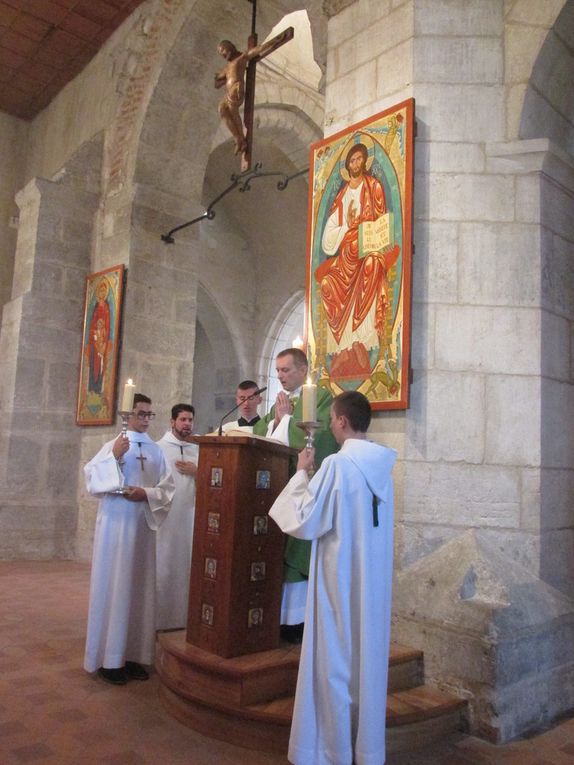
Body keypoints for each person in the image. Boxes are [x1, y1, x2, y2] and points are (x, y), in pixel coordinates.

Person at [269, 391, 397, 765]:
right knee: (364, 663)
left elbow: (306, 520)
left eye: (332, 421)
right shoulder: (382, 469)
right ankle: (365, 749)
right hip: (370, 583)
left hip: (338, 581)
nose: (330, 427)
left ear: (341, 421)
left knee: (335, 662)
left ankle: (333, 750)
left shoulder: (338, 466)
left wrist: (301, 472)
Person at [83, 393, 175, 685]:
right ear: (129, 414)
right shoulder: (115, 444)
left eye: (150, 414)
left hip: (142, 526)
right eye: (140, 414)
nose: (146, 419)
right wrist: (114, 457)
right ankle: (109, 661)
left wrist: (145, 494)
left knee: (139, 589)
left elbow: (167, 488)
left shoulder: (157, 451)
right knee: (115, 587)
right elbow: (91, 478)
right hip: (116, 524)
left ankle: (134, 655)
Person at [253, 348, 337, 642]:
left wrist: (286, 420)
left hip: (305, 488)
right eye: (277, 371)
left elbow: (322, 438)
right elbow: (261, 434)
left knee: (297, 551)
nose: (280, 376)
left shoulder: (322, 399)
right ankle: (278, 617)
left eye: (285, 370)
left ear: (303, 370)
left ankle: (298, 622)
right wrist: (277, 420)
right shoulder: (281, 403)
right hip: (278, 489)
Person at [316, 141, 400, 379]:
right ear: (347, 165)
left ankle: (361, 341)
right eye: (351, 160)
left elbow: (382, 220)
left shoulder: (373, 186)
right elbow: (328, 237)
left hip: (368, 249)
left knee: (373, 264)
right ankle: (344, 346)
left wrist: (365, 229)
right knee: (327, 285)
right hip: (345, 256)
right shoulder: (342, 195)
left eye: (359, 159)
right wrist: (347, 227)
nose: (356, 164)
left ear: (365, 161)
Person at [214, 30, 292, 155]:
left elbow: (259, 49)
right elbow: (217, 84)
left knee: (233, 113)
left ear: (231, 47)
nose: (223, 54)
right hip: (228, 93)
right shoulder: (227, 67)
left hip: (236, 90)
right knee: (221, 109)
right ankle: (238, 137)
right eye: (220, 53)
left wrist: (276, 39)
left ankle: (241, 139)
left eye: (223, 50)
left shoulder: (242, 57)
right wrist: (216, 79)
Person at [156, 404, 199, 630]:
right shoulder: (158, 449)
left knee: (189, 567)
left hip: (192, 516)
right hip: (167, 518)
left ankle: (185, 619)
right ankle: (161, 619)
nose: (187, 424)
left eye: (190, 420)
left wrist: (197, 471)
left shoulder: (198, 450)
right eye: (183, 420)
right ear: (172, 421)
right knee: (165, 565)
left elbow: (214, 478)